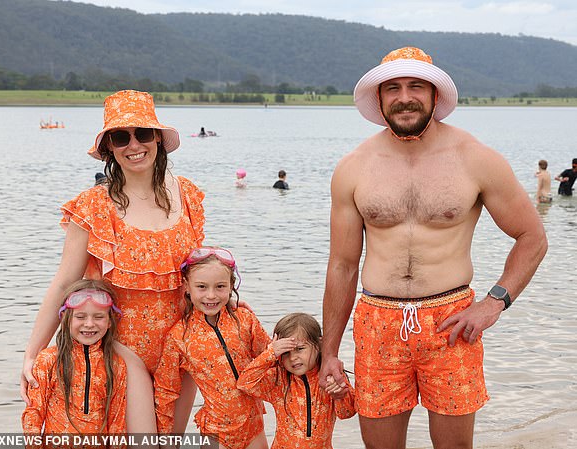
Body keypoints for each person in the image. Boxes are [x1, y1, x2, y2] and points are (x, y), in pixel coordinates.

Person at [320, 47, 547, 449]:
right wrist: (329, 352)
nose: (404, 96)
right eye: (393, 87)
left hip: (453, 321)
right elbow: (341, 265)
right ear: (379, 98)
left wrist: (494, 302)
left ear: (435, 95)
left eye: (416, 86)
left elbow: (532, 237)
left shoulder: (476, 159)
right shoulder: (355, 167)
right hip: (378, 324)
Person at [21, 90, 206, 433]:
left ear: (158, 140)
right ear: (109, 148)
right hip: (119, 351)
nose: (134, 145)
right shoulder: (93, 206)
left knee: (171, 442)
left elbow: (200, 279)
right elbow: (64, 283)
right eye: (121, 137)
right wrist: (33, 352)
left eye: (143, 134)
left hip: (179, 351)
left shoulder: (188, 196)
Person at [155, 247, 271, 449]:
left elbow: (271, 358)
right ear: (187, 287)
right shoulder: (179, 336)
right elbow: (166, 391)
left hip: (253, 426)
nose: (211, 295)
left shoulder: (244, 320)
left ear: (231, 286)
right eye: (202, 287)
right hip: (216, 432)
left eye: (220, 287)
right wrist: (166, 442)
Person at [22, 279, 126, 435]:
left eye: (98, 317)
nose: (89, 324)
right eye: (80, 317)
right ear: (65, 317)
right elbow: (34, 413)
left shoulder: (116, 364)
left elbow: (117, 422)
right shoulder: (48, 360)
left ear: (110, 321)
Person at [238, 313, 355, 449]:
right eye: (286, 352)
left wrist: (339, 395)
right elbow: (244, 383)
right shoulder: (278, 380)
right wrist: (270, 353)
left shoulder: (330, 377)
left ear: (320, 344)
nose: (293, 358)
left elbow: (347, 413)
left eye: (300, 349)